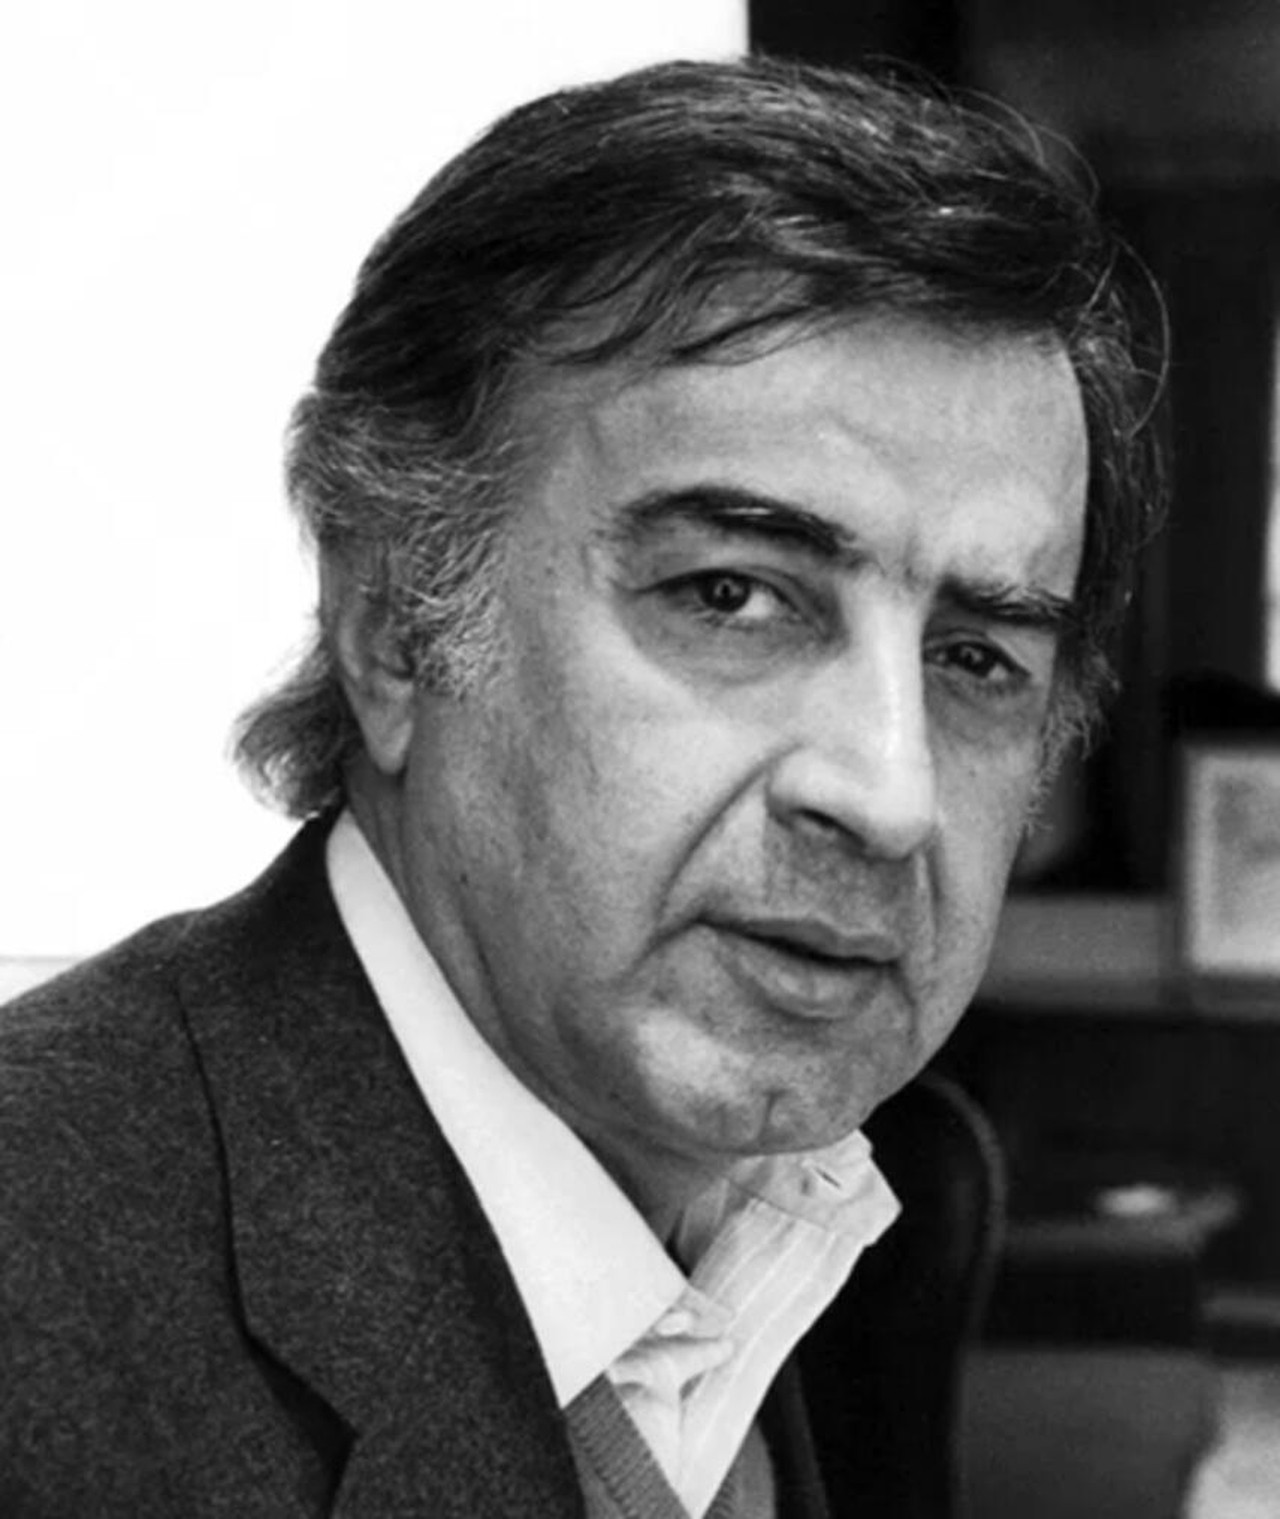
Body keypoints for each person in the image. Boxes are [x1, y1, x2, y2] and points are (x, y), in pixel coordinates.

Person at [0, 54, 1158, 1519]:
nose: (890, 794)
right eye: (731, 594)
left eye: (978, 658)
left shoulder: (857, 1233)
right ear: (397, 625)